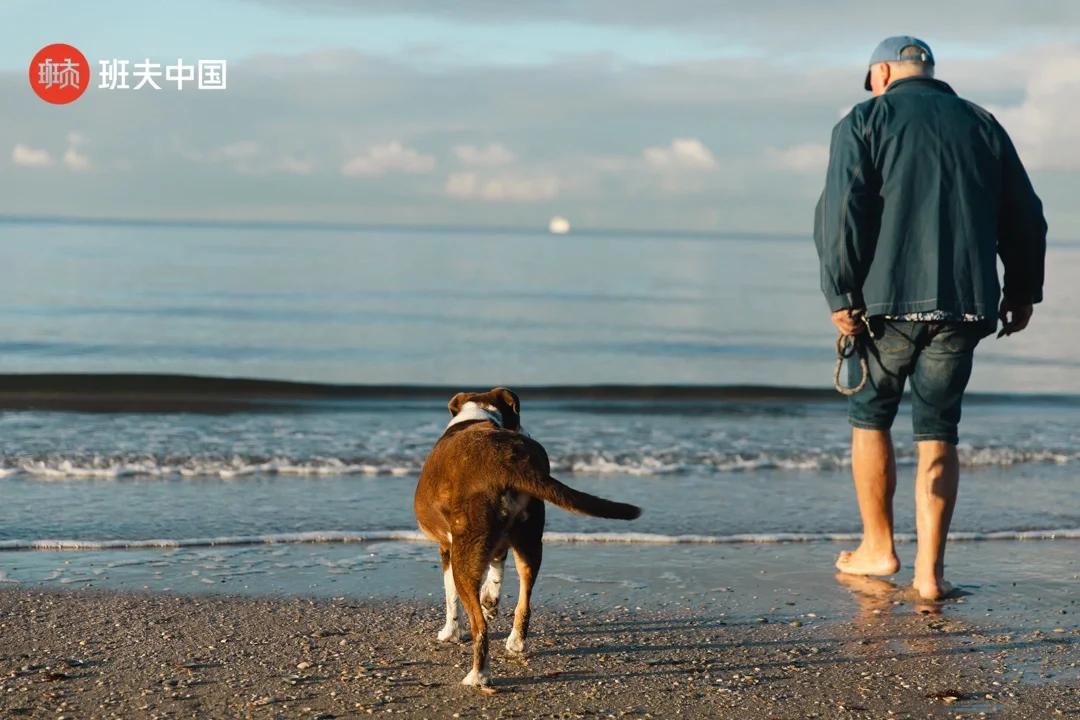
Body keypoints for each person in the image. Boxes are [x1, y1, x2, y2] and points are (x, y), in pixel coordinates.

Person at [813, 36, 1048, 600]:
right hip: (965, 303)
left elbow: (843, 210)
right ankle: (929, 575)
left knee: (871, 415)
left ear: (884, 72)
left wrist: (841, 293)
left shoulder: (866, 119)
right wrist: (1021, 289)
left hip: (884, 304)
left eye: (871, 77)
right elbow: (1026, 215)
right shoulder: (982, 122)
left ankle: (878, 548)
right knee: (939, 429)